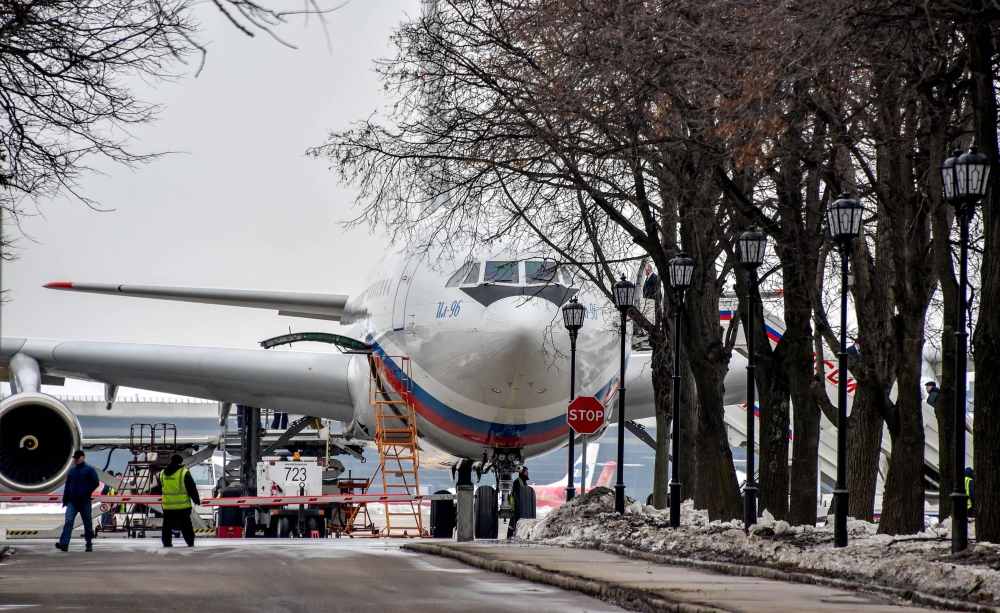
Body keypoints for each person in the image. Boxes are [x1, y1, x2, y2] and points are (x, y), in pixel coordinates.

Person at [56, 450, 100, 552]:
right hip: (72, 502)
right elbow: (68, 486)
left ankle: (89, 543)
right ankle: (64, 543)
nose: (76, 459)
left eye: (78, 457)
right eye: (75, 458)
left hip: (84, 502)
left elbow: (95, 483)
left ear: (83, 457)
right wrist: (65, 499)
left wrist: (86, 492)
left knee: (87, 524)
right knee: (68, 522)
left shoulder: (90, 470)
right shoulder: (72, 471)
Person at [157, 454, 201, 547]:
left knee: (167, 526)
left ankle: (167, 543)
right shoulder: (184, 472)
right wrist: (196, 500)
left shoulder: (162, 473)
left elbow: (161, 488)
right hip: (183, 505)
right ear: (180, 462)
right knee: (186, 526)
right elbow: (192, 488)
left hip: (168, 505)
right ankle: (190, 542)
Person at [506, 466, 530, 538]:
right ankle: (509, 536)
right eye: (526, 471)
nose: (528, 473)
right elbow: (516, 495)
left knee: (515, 523)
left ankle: (513, 536)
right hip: (517, 506)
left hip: (521, 507)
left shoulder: (523, 482)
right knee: (513, 523)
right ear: (522, 472)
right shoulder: (518, 481)